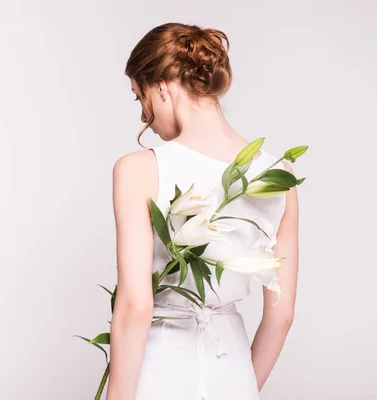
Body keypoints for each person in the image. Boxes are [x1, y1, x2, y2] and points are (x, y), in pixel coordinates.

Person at [105, 22, 299, 400]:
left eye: (138, 96)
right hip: (232, 368)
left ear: (161, 86)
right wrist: (242, 386)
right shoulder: (279, 176)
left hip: (158, 369)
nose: (144, 116)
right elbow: (282, 315)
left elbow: (135, 303)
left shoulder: (139, 170)